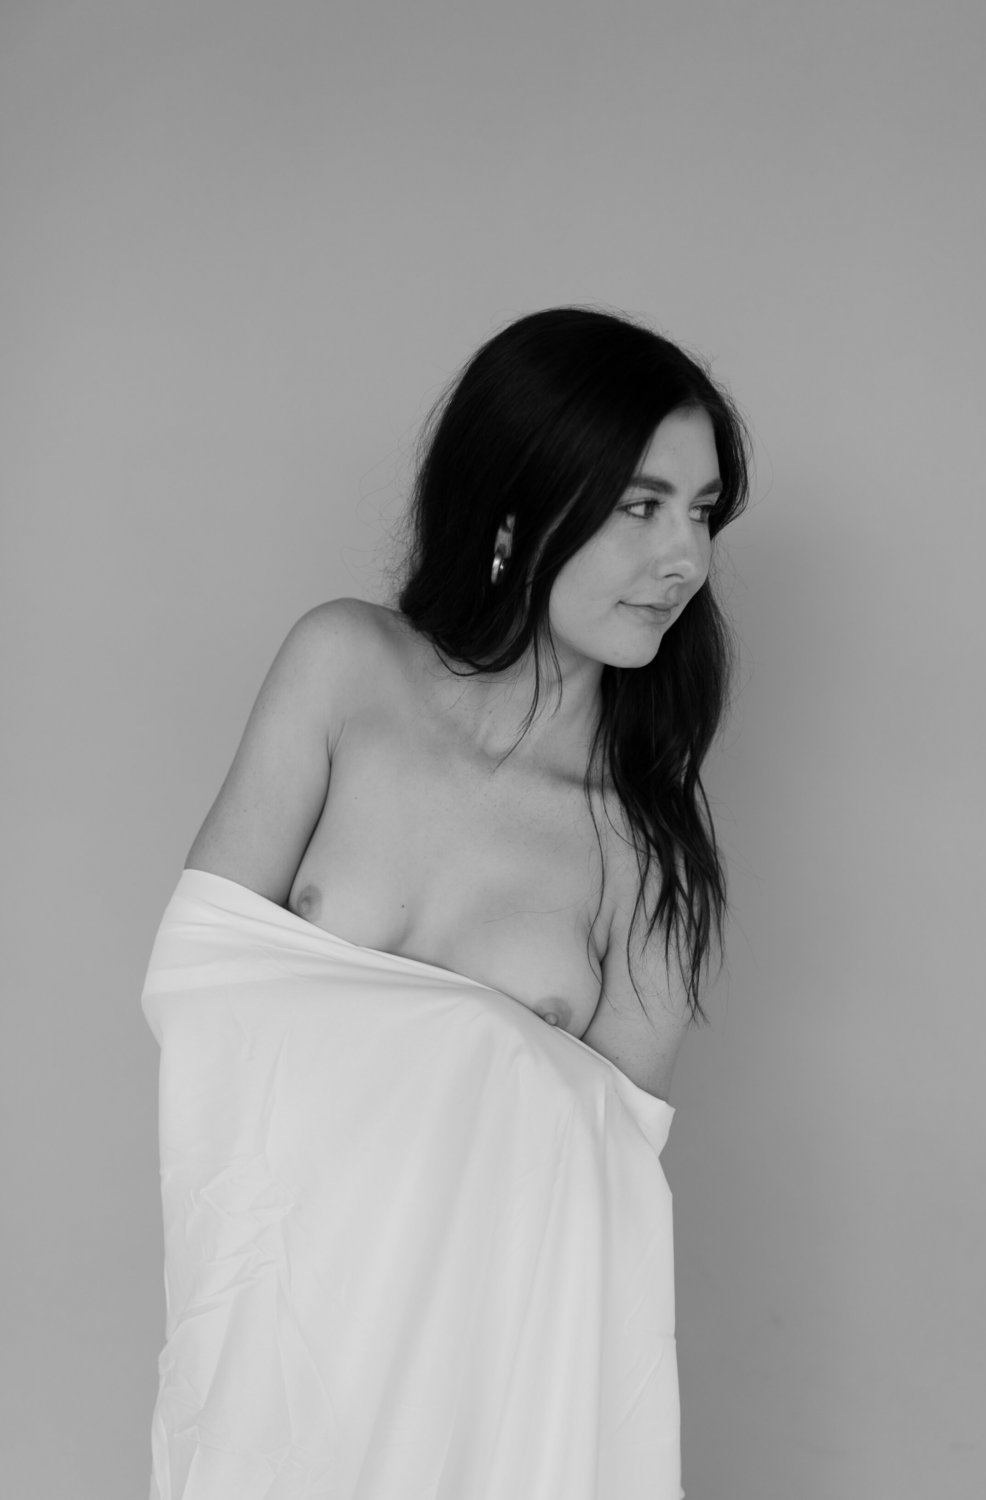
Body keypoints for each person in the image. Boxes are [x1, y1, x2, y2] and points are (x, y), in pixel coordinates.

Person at [141, 305, 751, 1499]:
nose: (685, 557)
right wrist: (478, 1041)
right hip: (272, 1364)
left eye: (703, 511)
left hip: (479, 1418)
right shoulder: (343, 669)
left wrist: (448, 1056)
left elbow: (607, 1214)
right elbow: (198, 981)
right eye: (641, 506)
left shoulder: (648, 852)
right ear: (515, 507)